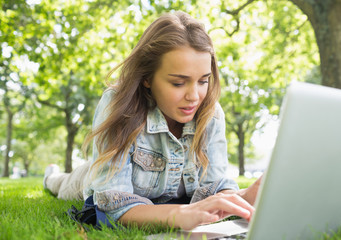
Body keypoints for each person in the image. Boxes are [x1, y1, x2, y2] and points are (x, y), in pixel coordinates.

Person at [43, 11, 262, 231]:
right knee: (61, 184)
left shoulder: (211, 113)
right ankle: (50, 176)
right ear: (147, 78)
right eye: (178, 83)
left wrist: (243, 197)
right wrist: (178, 213)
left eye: (203, 81)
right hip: (95, 174)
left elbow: (213, 189)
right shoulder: (118, 104)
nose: (194, 96)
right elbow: (111, 204)